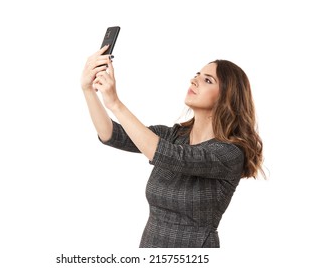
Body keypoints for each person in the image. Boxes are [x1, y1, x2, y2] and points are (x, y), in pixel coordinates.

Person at [80, 44, 264, 248]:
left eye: (207, 80)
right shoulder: (175, 136)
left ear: (226, 98)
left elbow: (168, 155)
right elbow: (111, 134)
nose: (195, 80)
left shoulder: (229, 153)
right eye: (198, 74)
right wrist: (88, 89)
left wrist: (115, 103)